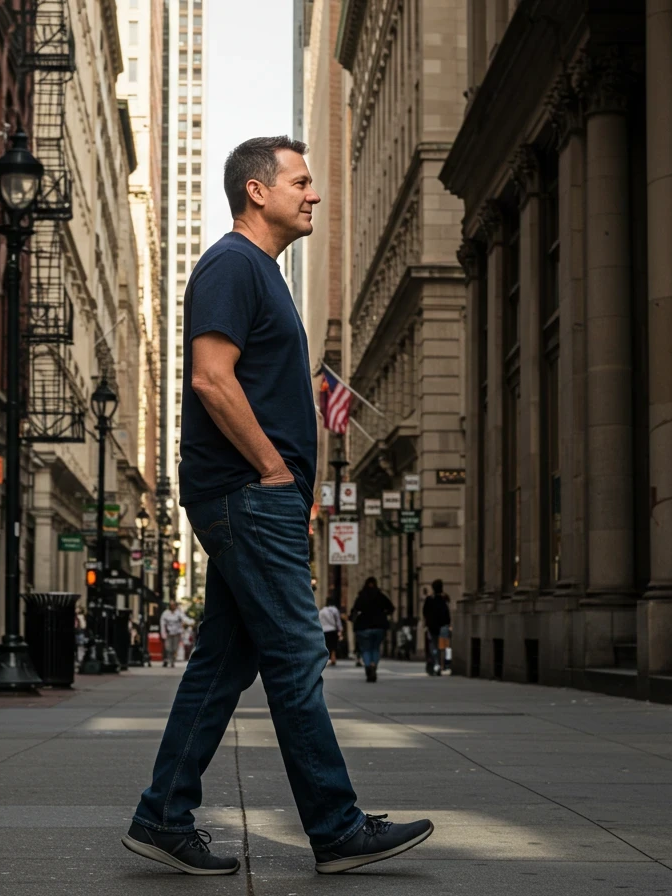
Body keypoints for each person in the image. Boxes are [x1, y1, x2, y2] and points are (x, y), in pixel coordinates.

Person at [124, 137, 433, 877]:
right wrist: (273, 472)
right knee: (297, 653)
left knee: (223, 664)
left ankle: (163, 814)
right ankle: (337, 828)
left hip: (254, 497)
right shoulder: (233, 264)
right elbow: (211, 377)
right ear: (257, 191)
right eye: (301, 181)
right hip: (247, 492)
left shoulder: (261, 272)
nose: (314, 194)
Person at [349, 577, 394, 683]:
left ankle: (368, 665)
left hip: (363, 627)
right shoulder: (380, 596)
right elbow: (391, 608)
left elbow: (354, 610)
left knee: (366, 649)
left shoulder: (361, 596)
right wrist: (383, 614)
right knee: (375, 648)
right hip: (379, 626)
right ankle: (374, 665)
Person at [421, 580, 452, 676]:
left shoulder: (430, 599)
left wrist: (426, 623)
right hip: (444, 626)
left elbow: (424, 612)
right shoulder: (445, 598)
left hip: (432, 627)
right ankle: (445, 664)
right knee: (444, 647)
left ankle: (436, 665)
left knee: (434, 647)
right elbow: (447, 611)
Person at [159, 600, 185, 668]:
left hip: (176, 634)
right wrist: (163, 633)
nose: (172, 606)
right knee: (168, 648)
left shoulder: (179, 613)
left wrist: (191, 622)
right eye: (171, 605)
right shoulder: (165, 613)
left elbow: (184, 619)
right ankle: (167, 659)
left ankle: (172, 661)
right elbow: (162, 624)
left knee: (175, 648)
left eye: (173, 605)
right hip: (168, 634)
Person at [318, 599, 343, 666]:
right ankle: (333, 658)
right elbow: (338, 620)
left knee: (327, 645)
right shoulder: (334, 610)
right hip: (332, 629)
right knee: (333, 645)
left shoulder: (321, 611)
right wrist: (340, 630)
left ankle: (327, 659)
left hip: (324, 630)